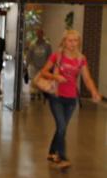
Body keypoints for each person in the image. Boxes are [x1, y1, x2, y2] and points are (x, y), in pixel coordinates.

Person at [39, 29, 101, 169]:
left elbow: (87, 78)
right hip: (56, 96)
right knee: (61, 127)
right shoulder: (57, 56)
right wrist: (55, 77)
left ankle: (51, 152)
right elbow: (43, 71)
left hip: (71, 99)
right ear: (64, 42)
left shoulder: (81, 59)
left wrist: (94, 91)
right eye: (70, 40)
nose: (73, 43)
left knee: (62, 128)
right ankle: (61, 157)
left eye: (76, 40)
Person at [26, 28, 52, 100]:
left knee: (41, 80)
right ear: (36, 34)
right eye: (38, 33)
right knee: (34, 80)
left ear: (43, 34)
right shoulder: (33, 44)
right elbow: (29, 55)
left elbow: (50, 56)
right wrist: (27, 64)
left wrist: (49, 66)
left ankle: (39, 93)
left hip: (43, 66)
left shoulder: (47, 45)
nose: (39, 35)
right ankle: (33, 93)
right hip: (34, 65)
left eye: (40, 33)